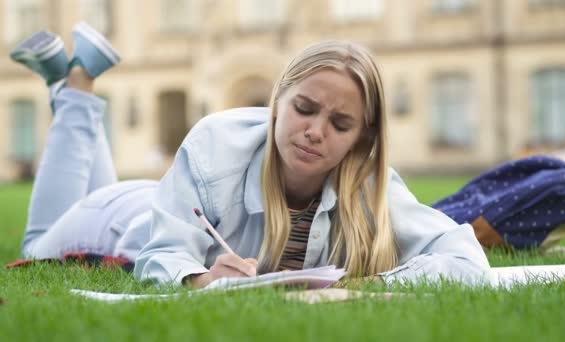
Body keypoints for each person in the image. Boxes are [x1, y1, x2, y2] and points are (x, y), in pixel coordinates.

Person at [12, 23, 493, 289]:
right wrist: (200, 279)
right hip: (120, 219)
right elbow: (162, 254)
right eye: (303, 109)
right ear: (277, 102)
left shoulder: (368, 182)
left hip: (159, 197)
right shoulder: (215, 144)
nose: (314, 132)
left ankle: (69, 80)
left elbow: (462, 255)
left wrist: (375, 287)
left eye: (340, 124)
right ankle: (74, 86)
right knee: (36, 246)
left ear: (361, 141)